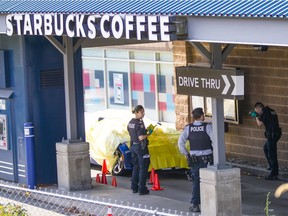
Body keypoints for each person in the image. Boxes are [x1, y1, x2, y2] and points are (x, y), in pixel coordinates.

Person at [178, 107, 213, 213]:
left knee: (196, 182)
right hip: (207, 159)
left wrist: (186, 154)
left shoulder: (188, 128)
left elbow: (180, 143)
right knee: (209, 181)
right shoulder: (207, 127)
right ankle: (210, 203)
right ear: (201, 116)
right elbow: (215, 141)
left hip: (194, 160)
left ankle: (195, 205)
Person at [253, 102, 282, 180]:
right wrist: (258, 115)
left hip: (271, 135)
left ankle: (274, 173)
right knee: (266, 149)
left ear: (259, 108)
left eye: (256, 110)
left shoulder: (265, 113)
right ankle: (272, 167)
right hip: (275, 134)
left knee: (272, 154)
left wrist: (255, 116)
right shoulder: (270, 111)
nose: (256, 111)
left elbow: (259, 123)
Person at [127, 105, 151, 195]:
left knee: (136, 167)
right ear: (136, 112)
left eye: (143, 111)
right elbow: (141, 137)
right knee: (143, 168)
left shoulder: (130, 122)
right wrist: (149, 134)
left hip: (133, 146)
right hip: (141, 148)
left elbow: (131, 133)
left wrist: (146, 130)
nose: (143, 113)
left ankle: (134, 187)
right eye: (142, 112)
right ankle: (142, 188)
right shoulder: (139, 123)